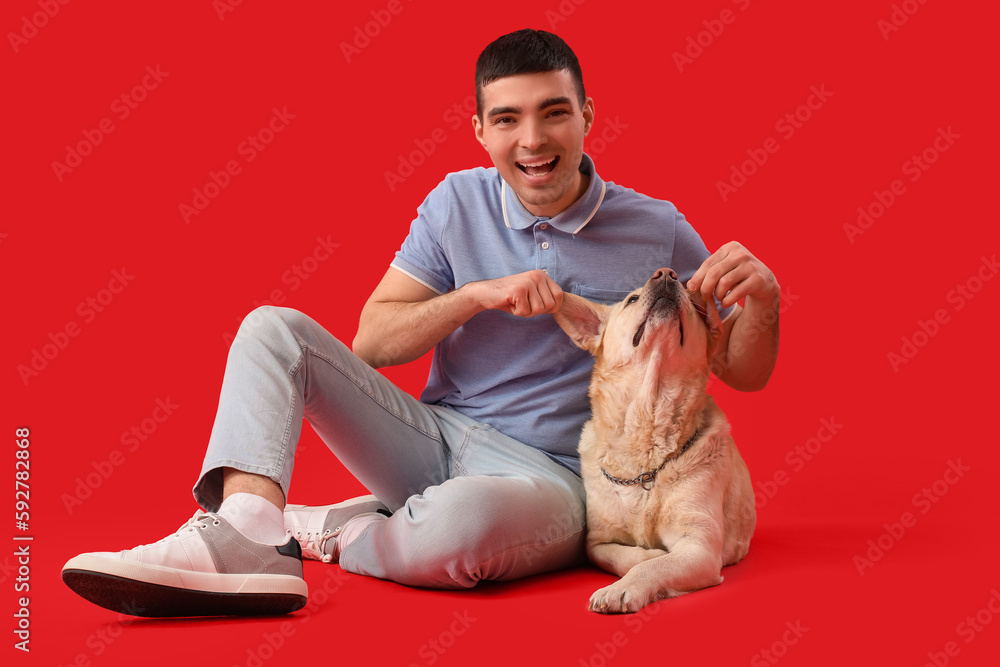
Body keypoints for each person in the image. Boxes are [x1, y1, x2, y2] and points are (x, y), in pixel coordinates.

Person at [62, 29, 780, 617]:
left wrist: (765, 303)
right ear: (479, 129)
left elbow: (738, 371)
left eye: (553, 111)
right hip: (431, 434)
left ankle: (332, 529)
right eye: (507, 119)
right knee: (271, 328)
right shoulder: (452, 204)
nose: (533, 140)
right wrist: (474, 296)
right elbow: (371, 344)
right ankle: (248, 529)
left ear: (588, 114)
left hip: (553, 476)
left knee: (459, 534)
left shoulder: (656, 231)